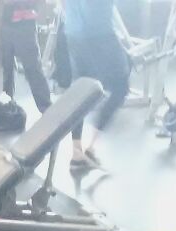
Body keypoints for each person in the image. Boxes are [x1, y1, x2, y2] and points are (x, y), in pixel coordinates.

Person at [62, 0, 130, 170]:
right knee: (121, 87)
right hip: (99, 34)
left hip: (73, 32)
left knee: (81, 91)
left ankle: (77, 153)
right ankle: (91, 148)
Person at [1, 0, 51, 114]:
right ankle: (7, 107)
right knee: (7, 68)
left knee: (33, 69)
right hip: (7, 23)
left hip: (25, 26)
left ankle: (47, 110)